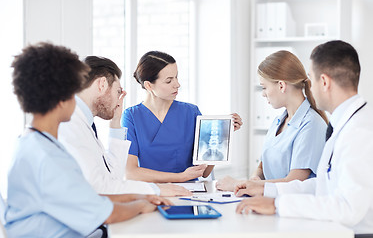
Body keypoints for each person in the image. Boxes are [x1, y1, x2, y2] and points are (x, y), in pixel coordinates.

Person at [5, 42, 171, 237]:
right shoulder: (48, 157)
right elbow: (105, 213)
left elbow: (87, 198)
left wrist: (138, 196)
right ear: (62, 96)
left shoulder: (35, 144)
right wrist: (141, 205)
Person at [235, 40, 373, 236]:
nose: (309, 86)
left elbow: (348, 208)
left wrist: (279, 205)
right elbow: (323, 185)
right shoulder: (345, 124)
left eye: (312, 79)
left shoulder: (360, 131)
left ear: (324, 82)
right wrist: (269, 193)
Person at [58, 55, 190, 196]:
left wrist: (115, 123)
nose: (118, 99)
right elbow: (98, 187)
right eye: (118, 91)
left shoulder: (85, 123)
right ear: (102, 84)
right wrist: (156, 190)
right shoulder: (70, 125)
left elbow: (113, 176)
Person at [121, 51, 243, 183]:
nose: (177, 84)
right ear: (149, 85)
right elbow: (131, 173)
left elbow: (205, 172)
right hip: (152, 196)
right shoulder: (131, 117)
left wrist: (222, 133)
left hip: (187, 196)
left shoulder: (191, 112)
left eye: (176, 77)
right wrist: (181, 177)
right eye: (169, 81)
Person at [216, 50, 327, 193]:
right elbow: (263, 165)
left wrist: (243, 184)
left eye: (264, 87)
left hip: (294, 207)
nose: (263, 93)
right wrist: (255, 177)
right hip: (269, 203)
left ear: (281, 85)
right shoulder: (278, 121)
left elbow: (293, 182)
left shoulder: (311, 125)